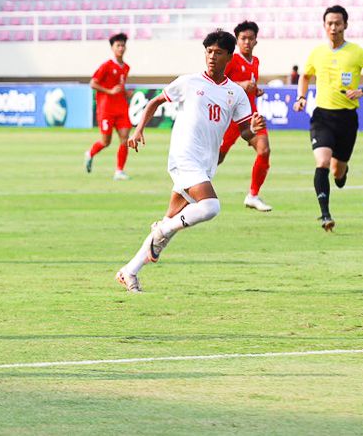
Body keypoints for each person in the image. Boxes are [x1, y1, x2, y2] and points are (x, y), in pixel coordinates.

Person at [115, 29, 266, 293]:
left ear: (229, 57)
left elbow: (244, 133)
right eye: (208, 51)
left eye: (218, 53)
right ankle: (163, 229)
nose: (211, 57)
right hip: (184, 157)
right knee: (211, 207)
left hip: (206, 164)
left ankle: (129, 271)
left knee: (171, 219)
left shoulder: (235, 93)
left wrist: (253, 127)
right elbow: (154, 102)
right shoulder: (189, 82)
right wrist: (139, 129)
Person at [293, 5, 363, 232]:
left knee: (337, 172)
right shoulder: (317, 52)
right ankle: (325, 214)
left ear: (345, 25)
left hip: (347, 119)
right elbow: (305, 76)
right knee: (323, 163)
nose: (334, 27)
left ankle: (343, 173)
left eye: (338, 23)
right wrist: (301, 97)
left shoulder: (357, 52)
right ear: (324, 26)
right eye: (330, 23)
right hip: (322, 117)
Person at [217, 21, 273, 212]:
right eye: (243, 38)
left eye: (250, 38)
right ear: (237, 40)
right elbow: (218, 83)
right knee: (217, 158)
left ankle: (253, 195)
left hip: (251, 116)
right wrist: (240, 85)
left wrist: (255, 90)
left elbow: (249, 85)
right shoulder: (230, 60)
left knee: (264, 150)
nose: (247, 42)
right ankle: (193, 187)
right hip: (231, 117)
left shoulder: (255, 61)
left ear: (256, 40)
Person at [84, 33, 132, 180]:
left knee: (125, 139)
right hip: (106, 110)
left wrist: (125, 93)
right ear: (112, 47)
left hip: (121, 109)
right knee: (106, 142)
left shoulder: (126, 67)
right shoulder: (106, 66)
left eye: (123, 45)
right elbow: (93, 83)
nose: (121, 48)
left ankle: (119, 171)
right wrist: (109, 91)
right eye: (118, 45)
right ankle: (90, 153)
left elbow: (119, 87)